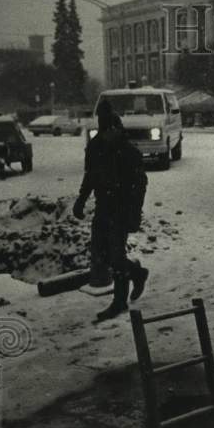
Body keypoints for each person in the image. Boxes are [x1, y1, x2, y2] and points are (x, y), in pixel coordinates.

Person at [73, 99, 149, 321]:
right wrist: (81, 200)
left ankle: (119, 301)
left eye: (109, 128)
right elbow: (90, 176)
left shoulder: (129, 152)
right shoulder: (95, 147)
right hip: (103, 207)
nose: (106, 132)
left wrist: (134, 214)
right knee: (102, 255)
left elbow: (140, 186)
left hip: (122, 209)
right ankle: (137, 273)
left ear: (117, 128)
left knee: (116, 256)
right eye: (102, 126)